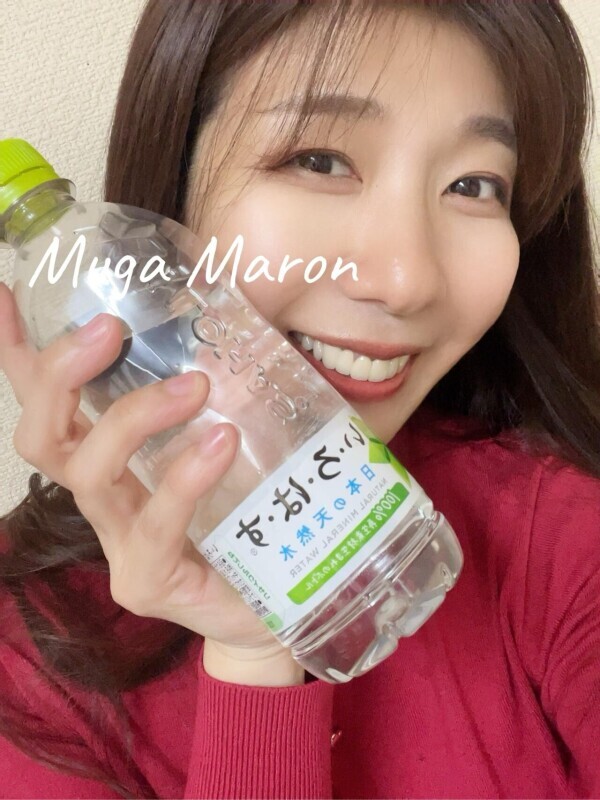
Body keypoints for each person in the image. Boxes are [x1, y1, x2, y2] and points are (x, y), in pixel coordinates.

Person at [0, 0, 599, 797]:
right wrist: (253, 650)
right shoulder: (27, 659)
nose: (406, 280)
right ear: (172, 193)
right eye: (319, 160)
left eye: (473, 183)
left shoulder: (561, 536)